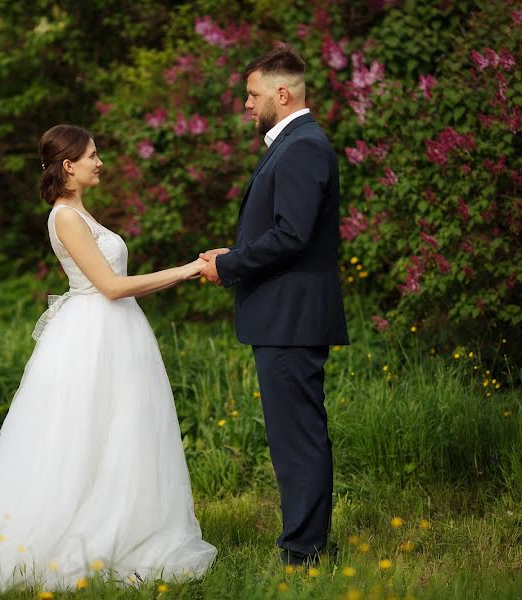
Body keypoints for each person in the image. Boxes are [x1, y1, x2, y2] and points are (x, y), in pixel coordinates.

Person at [0, 124, 216, 596]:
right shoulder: (65, 218)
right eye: (92, 155)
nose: (100, 162)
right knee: (78, 440)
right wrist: (188, 269)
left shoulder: (81, 214)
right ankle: (70, 532)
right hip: (92, 338)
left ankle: (130, 525)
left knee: (119, 436)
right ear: (68, 165)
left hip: (116, 335)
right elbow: (110, 287)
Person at [199, 44, 349, 566]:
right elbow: (283, 230)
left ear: (281, 94)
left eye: (252, 94)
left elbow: (291, 235)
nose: (246, 104)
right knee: (291, 436)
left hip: (292, 316)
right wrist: (232, 253)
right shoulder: (291, 143)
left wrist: (231, 264)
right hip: (284, 315)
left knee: (298, 437)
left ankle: (304, 552)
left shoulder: (303, 146)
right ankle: (303, 544)